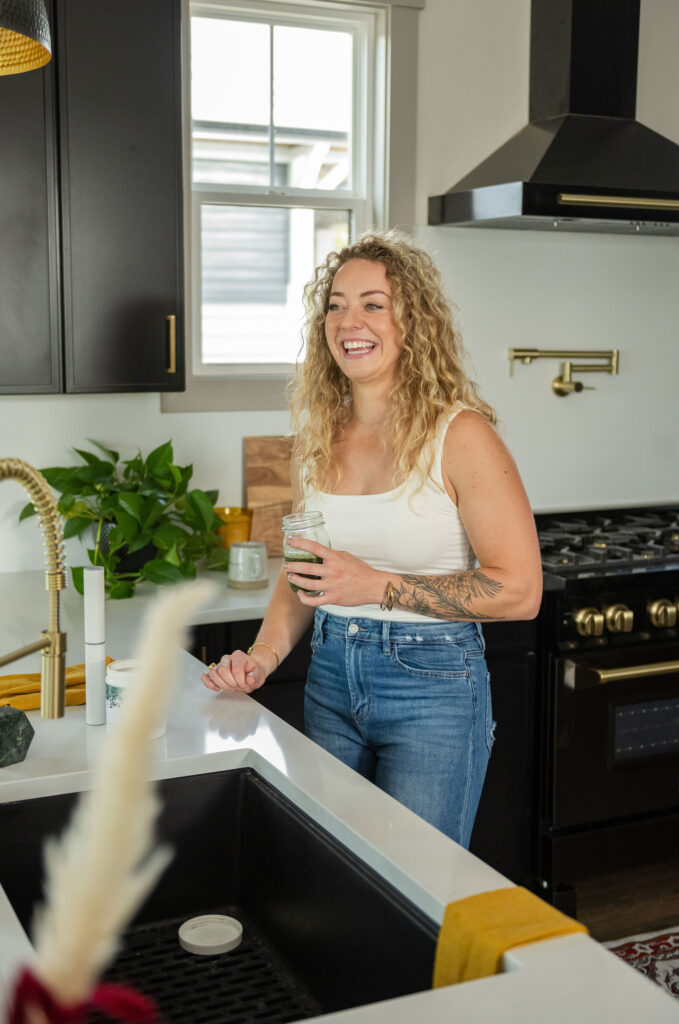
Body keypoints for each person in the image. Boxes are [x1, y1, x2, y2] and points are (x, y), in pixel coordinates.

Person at [201, 230, 542, 848]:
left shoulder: (461, 435)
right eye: (335, 304)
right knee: (340, 876)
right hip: (330, 674)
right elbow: (304, 572)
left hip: (432, 684)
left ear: (414, 320)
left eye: (373, 304)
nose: (348, 321)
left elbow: (519, 591)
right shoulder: (318, 436)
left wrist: (375, 584)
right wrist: (263, 656)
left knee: (418, 881)